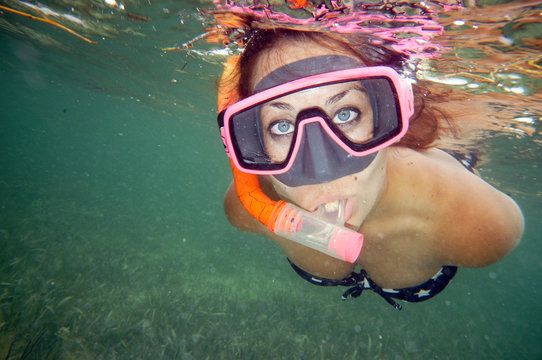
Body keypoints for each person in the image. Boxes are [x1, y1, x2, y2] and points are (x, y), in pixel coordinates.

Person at [216, 28, 524, 309]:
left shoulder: (481, 225)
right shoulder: (245, 207)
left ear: (385, 114)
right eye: (281, 126)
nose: (323, 167)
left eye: (346, 113)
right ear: (253, 142)